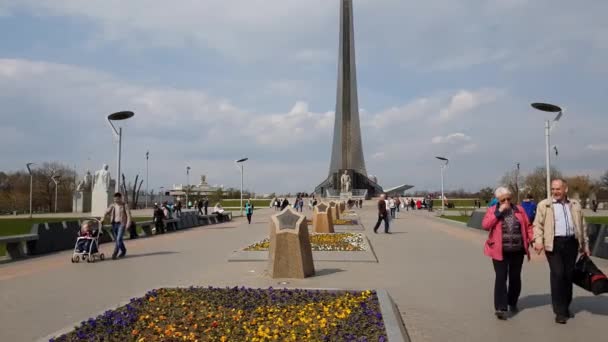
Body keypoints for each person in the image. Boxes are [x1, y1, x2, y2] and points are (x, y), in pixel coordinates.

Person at [533, 179, 590, 324]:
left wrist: (585, 245)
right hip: (553, 243)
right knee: (558, 274)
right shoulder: (544, 205)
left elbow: (582, 226)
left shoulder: (575, 204)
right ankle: (559, 311)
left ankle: (566, 306)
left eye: (558, 189)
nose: (555, 192)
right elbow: (537, 225)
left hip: (572, 242)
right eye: (553, 189)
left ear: (565, 189)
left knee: (568, 275)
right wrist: (538, 241)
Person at [482, 187, 533, 320]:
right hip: (499, 251)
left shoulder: (519, 210)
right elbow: (486, 225)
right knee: (501, 277)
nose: (506, 202)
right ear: (498, 200)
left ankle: (512, 301)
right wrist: (498, 212)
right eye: (503, 199)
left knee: (515, 278)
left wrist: (532, 238)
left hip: (517, 250)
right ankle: (501, 307)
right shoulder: (493, 210)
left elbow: (528, 226)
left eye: (508, 199)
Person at [103, 192, 132, 260]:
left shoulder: (125, 205)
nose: (116, 200)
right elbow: (106, 212)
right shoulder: (112, 205)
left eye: (117, 199)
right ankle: (123, 250)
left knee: (118, 239)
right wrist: (104, 217)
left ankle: (115, 253)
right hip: (114, 224)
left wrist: (128, 224)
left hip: (121, 224)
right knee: (118, 240)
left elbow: (129, 215)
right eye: (115, 199)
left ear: (120, 198)